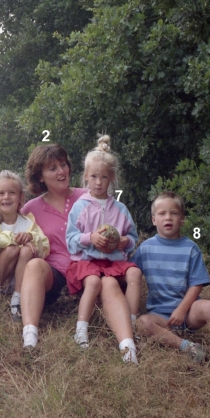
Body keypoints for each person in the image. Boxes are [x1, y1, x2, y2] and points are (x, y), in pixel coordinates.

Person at [132, 191, 210, 366]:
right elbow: (131, 274)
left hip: (189, 312)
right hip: (160, 315)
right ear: (153, 220)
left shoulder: (191, 248)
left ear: (182, 219)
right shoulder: (145, 248)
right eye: (162, 213)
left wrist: (182, 310)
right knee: (142, 323)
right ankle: (189, 347)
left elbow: (197, 284)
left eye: (174, 213)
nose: (168, 218)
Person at [65, 134, 142, 363]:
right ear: (86, 177)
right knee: (95, 282)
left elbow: (133, 237)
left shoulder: (120, 209)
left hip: (114, 261)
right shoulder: (80, 206)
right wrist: (90, 238)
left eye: (104, 177)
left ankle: (131, 320)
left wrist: (124, 242)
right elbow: (71, 239)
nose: (99, 182)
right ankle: (81, 329)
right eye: (94, 177)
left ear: (112, 179)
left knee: (135, 272)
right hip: (87, 262)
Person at [17, 144, 87, 349]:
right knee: (35, 266)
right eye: (52, 168)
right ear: (40, 176)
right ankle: (30, 334)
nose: (61, 171)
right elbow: (9, 232)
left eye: (63, 164)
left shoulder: (87, 196)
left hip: (88, 267)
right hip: (55, 272)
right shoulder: (31, 208)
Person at [0, 170, 49, 321]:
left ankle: (17, 298)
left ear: (21, 197)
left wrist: (30, 237)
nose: (6, 197)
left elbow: (45, 247)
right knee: (12, 248)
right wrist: (15, 238)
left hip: (19, 278)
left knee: (27, 250)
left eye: (12, 193)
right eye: (1, 193)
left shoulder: (28, 222)